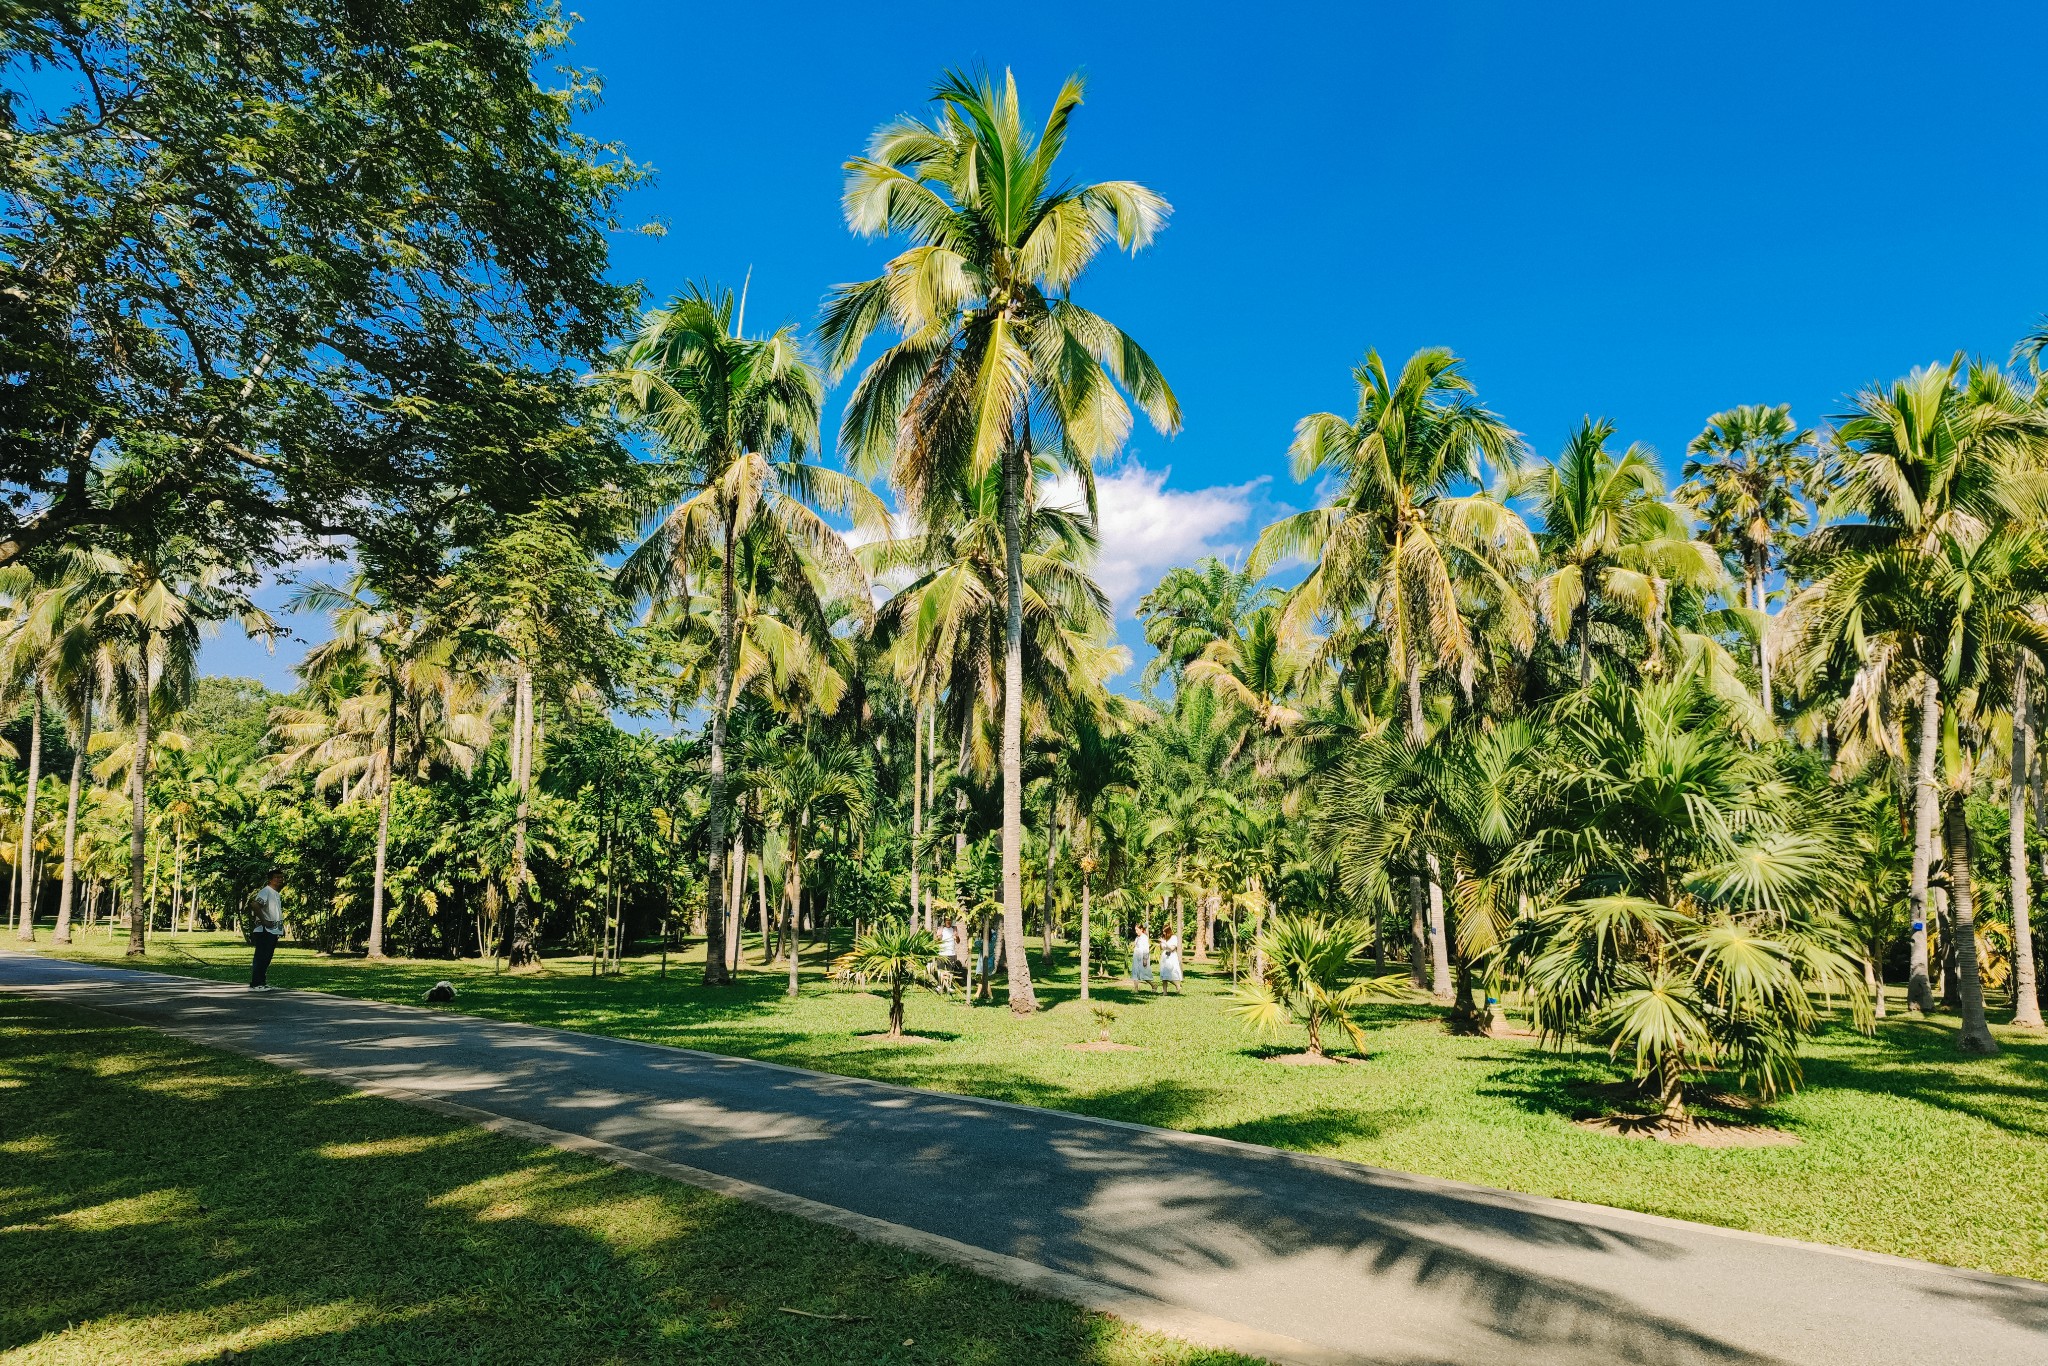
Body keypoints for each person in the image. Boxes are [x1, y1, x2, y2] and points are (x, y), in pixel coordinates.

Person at [248, 869, 284, 990]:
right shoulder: (266, 891)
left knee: (267, 957)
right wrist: (263, 920)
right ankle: (256, 983)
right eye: (276, 877)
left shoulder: (276, 893)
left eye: (281, 877)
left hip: (273, 930)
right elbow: (255, 904)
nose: (279, 880)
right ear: (270, 879)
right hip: (265, 930)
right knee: (261, 957)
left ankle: (261, 982)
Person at [1159, 927, 1184, 994]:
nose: (1164, 933)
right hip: (1164, 956)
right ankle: (1164, 992)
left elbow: (1172, 948)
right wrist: (1161, 943)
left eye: (1165, 932)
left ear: (1168, 931)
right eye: (1163, 932)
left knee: (1171, 973)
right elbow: (1162, 948)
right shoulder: (1164, 938)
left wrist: (1165, 943)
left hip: (1171, 957)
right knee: (1164, 974)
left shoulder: (1173, 937)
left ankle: (1178, 985)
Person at [1130, 925, 1154, 990]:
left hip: (1142, 957)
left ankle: (1153, 985)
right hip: (1136, 957)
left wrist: (1145, 959)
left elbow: (1146, 949)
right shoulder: (1137, 938)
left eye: (1137, 930)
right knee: (1135, 972)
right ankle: (1136, 989)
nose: (1136, 931)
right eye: (1135, 930)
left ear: (1141, 929)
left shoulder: (1144, 938)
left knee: (1144, 974)